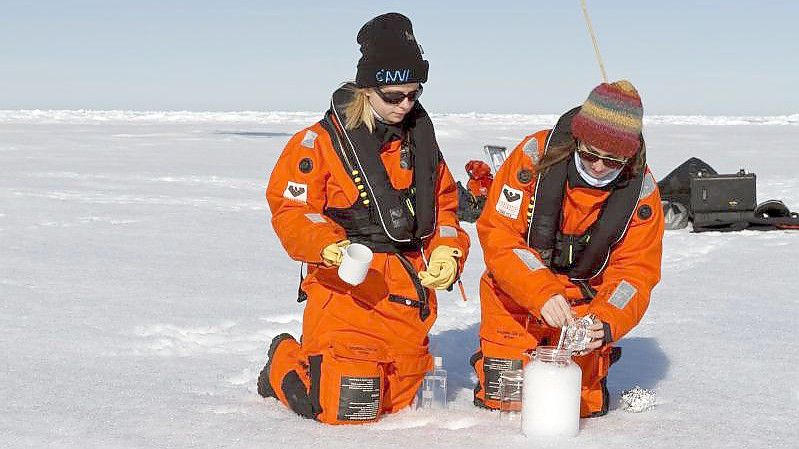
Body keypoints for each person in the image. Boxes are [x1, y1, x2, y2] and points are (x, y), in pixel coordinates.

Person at [257, 12, 470, 425]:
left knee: (400, 405)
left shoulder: (421, 145)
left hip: (407, 294)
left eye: (414, 94)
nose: (405, 105)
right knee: (344, 407)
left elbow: (445, 209)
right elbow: (291, 209)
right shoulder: (316, 144)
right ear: (366, 89)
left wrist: (448, 252)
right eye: (394, 96)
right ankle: (282, 360)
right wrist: (327, 246)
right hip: (346, 291)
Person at [471, 80, 664, 417]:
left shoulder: (641, 195)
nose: (599, 166)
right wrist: (540, 292)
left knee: (575, 408)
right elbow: (500, 235)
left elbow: (636, 274)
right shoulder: (532, 158)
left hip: (585, 308)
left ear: (628, 156)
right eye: (590, 153)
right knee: (508, 406)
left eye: (613, 159)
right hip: (517, 293)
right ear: (577, 138)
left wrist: (604, 324)